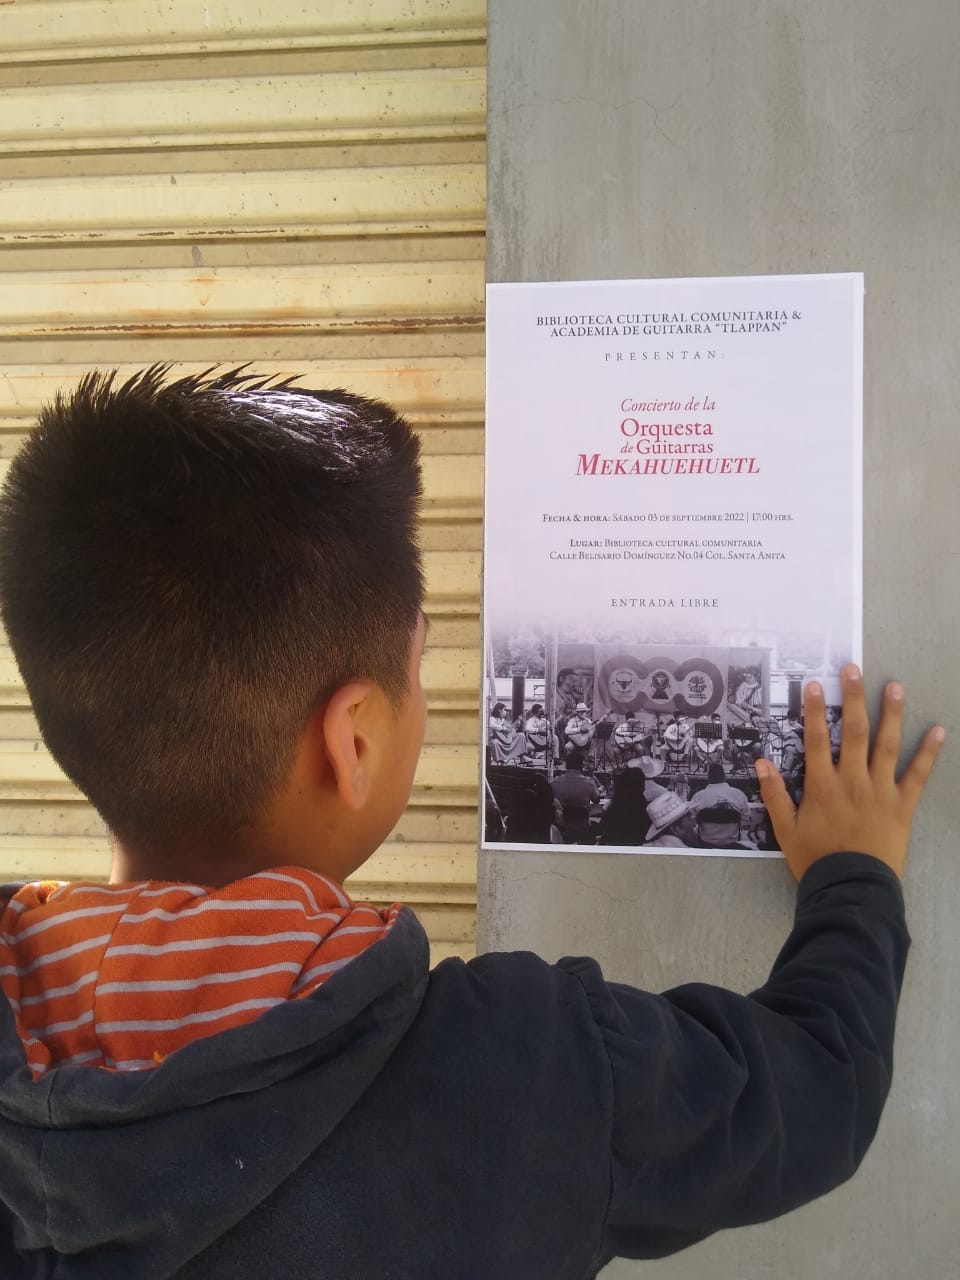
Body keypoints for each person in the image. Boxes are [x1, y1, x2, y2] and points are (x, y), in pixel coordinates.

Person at [0, 366, 945, 1280]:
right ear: (354, 741)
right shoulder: (531, 1081)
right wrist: (853, 873)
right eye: (420, 660)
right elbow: (820, 1086)